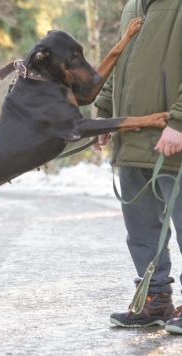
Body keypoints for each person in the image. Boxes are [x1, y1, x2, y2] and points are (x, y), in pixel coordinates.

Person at [93, 0, 182, 334]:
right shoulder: (132, 6)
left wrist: (179, 121)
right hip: (131, 137)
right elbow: (121, 65)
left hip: (173, 137)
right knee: (141, 228)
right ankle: (155, 298)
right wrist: (104, 113)